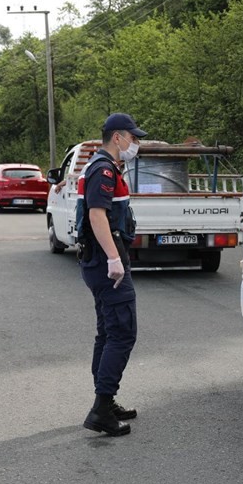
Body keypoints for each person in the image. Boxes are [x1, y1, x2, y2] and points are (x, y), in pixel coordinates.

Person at [78, 113, 146, 437]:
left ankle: (104, 400)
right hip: (107, 264)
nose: (136, 143)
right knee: (122, 332)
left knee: (107, 333)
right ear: (117, 137)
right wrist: (114, 258)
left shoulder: (104, 166)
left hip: (100, 262)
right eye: (133, 138)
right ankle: (101, 408)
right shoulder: (103, 169)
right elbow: (96, 214)